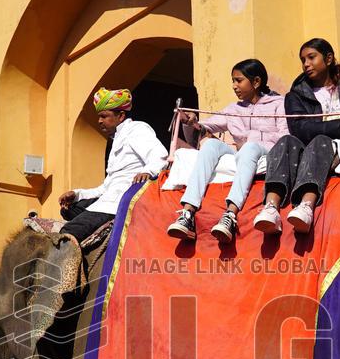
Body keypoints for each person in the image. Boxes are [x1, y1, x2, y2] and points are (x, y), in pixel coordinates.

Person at [253, 38, 340, 234]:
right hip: (308, 149)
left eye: (311, 57)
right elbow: (299, 129)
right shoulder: (295, 95)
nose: (306, 64)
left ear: (328, 59)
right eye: (303, 60)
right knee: (286, 140)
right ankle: (271, 208)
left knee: (321, 140)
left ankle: (306, 206)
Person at [166, 59, 287, 242]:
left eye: (239, 81)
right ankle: (188, 213)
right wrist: (190, 121)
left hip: (267, 153)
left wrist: (254, 137)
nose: (234, 86)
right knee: (212, 145)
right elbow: (205, 126)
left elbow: (284, 137)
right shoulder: (233, 109)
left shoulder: (278, 103)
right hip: (242, 155)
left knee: (250, 147)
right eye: (233, 81)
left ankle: (230, 215)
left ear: (256, 82)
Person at [57, 88, 168, 242]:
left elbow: (160, 155)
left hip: (117, 202)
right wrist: (76, 194)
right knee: (68, 209)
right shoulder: (117, 139)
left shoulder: (136, 129)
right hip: (108, 196)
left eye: (104, 116)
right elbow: (105, 188)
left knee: (68, 231)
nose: (99, 121)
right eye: (99, 116)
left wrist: (148, 172)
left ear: (121, 116)